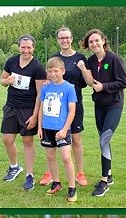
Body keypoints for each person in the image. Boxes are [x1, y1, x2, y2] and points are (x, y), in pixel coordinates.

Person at [80, 29, 126, 198]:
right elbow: (88, 81)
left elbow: (123, 82)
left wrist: (105, 87)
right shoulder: (91, 61)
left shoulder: (114, 59)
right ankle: (109, 175)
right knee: (104, 141)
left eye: (96, 40)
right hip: (99, 105)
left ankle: (104, 181)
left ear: (103, 40)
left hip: (114, 105)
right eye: (91, 42)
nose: (94, 44)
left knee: (104, 140)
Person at [40, 27, 89, 188]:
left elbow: (87, 81)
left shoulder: (80, 58)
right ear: (58, 40)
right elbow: (49, 77)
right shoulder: (54, 58)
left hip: (74, 104)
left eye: (67, 37)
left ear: (72, 38)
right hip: (55, 107)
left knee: (76, 139)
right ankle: (50, 173)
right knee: (51, 143)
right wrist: (48, 81)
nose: (64, 40)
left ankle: (80, 172)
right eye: (61, 38)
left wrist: (83, 69)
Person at [1, 35, 47, 191]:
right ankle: (14, 166)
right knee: (7, 139)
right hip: (11, 106)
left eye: (29, 47)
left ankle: (29, 175)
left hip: (28, 109)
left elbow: (40, 95)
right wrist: (7, 81)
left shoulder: (38, 68)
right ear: (19, 47)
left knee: (27, 142)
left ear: (33, 47)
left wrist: (34, 115)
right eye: (23, 47)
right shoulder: (11, 61)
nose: (26, 50)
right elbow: (2, 79)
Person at [37, 57, 79, 203]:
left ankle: (72, 187)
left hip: (61, 129)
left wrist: (65, 129)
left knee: (66, 158)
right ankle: (56, 182)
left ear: (63, 71)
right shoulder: (46, 87)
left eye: (56, 71)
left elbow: (72, 111)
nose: (53, 74)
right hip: (47, 128)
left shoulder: (69, 88)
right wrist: (39, 127)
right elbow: (42, 108)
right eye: (50, 71)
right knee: (50, 156)